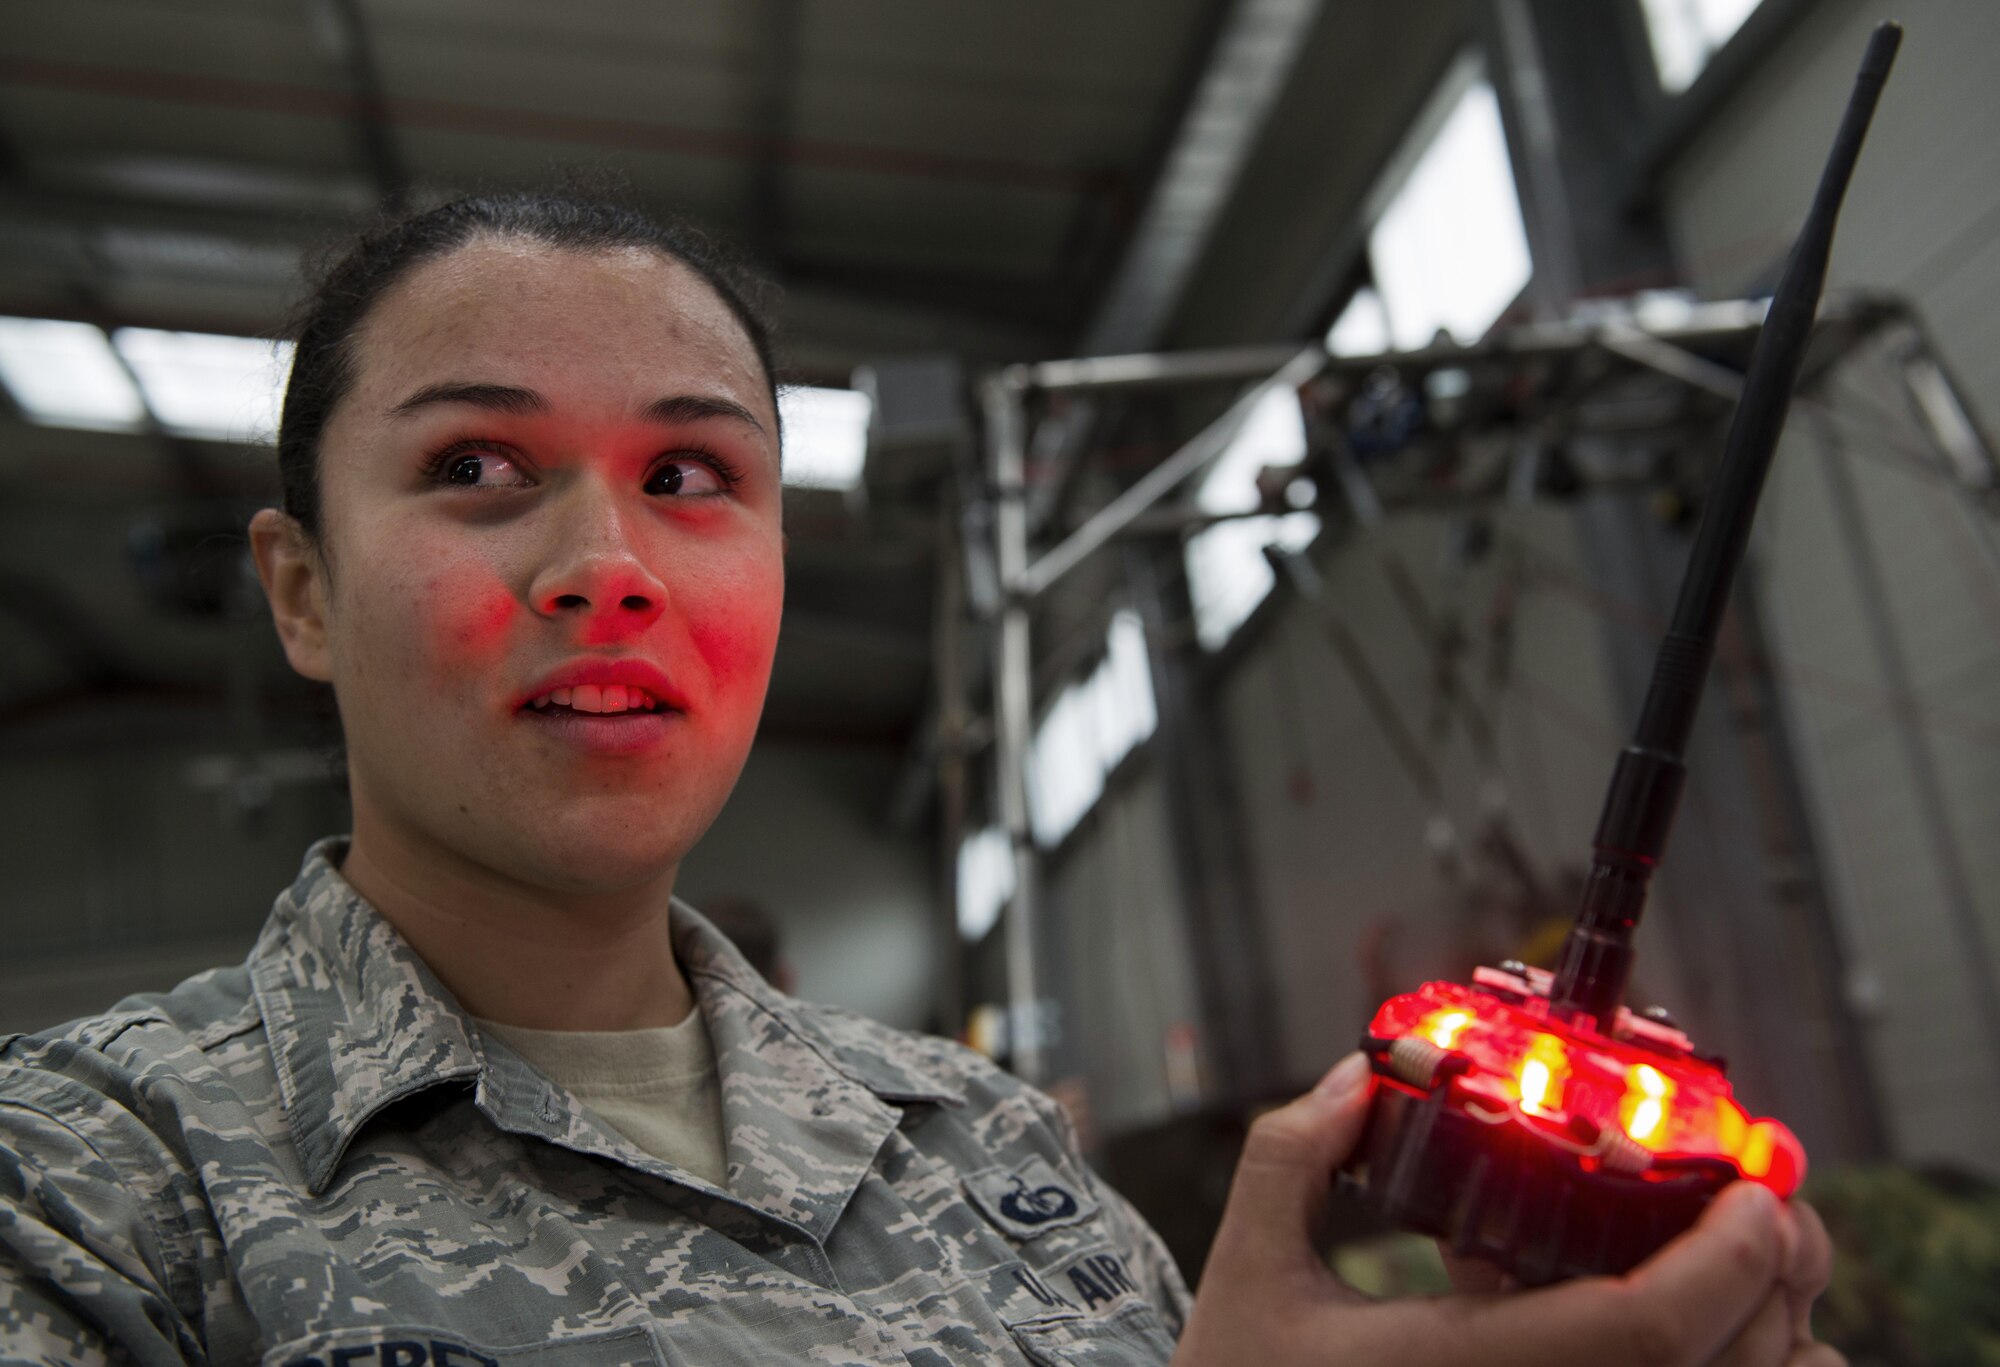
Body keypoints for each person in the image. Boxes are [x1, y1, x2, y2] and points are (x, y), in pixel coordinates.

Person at [0, 192, 1837, 1366]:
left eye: (696, 476)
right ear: (301, 589)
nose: (608, 561)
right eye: (479, 466)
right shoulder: (86, 1191)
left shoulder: (986, 1149)